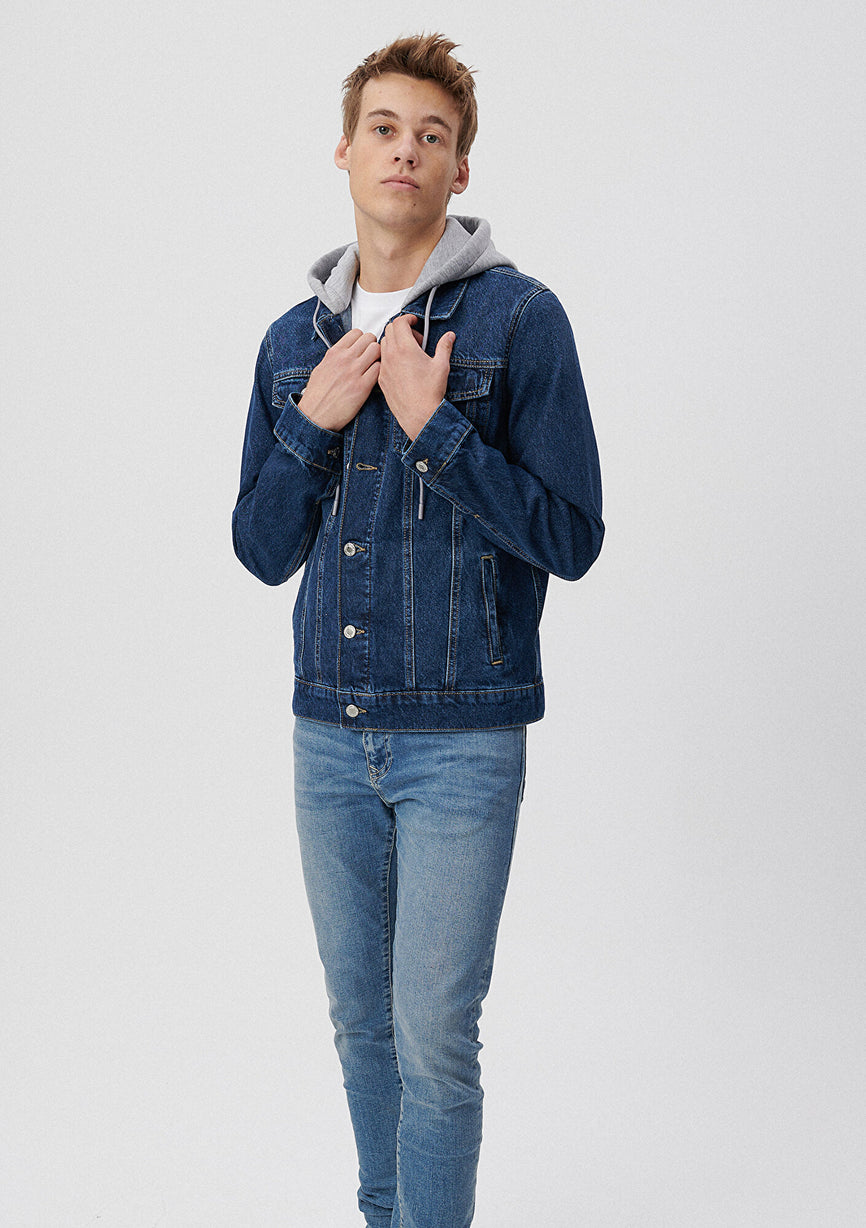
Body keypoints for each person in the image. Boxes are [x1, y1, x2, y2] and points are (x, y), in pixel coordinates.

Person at [232, 33, 603, 1228]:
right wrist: (311, 424)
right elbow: (259, 549)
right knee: (360, 1024)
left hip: (461, 738)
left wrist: (435, 430)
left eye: (430, 136)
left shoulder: (518, 319)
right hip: (327, 736)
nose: (405, 151)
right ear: (344, 153)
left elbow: (571, 536)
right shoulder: (292, 344)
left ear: (458, 171)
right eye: (384, 129)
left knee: (434, 1037)